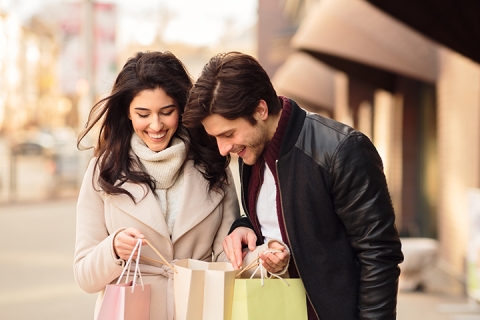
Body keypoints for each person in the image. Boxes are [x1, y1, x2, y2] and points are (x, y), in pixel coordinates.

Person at [182, 52, 404, 320]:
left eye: (228, 134)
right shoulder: (251, 151)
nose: (223, 148)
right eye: (215, 137)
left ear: (260, 110)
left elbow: (379, 254)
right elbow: (285, 218)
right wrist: (245, 225)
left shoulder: (341, 150)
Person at [73, 51, 240, 320]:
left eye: (167, 112)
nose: (156, 125)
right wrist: (113, 249)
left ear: (182, 109)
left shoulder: (213, 166)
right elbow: (84, 276)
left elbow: (227, 256)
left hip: (199, 309)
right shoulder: (103, 171)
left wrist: (260, 256)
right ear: (127, 113)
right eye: (143, 114)